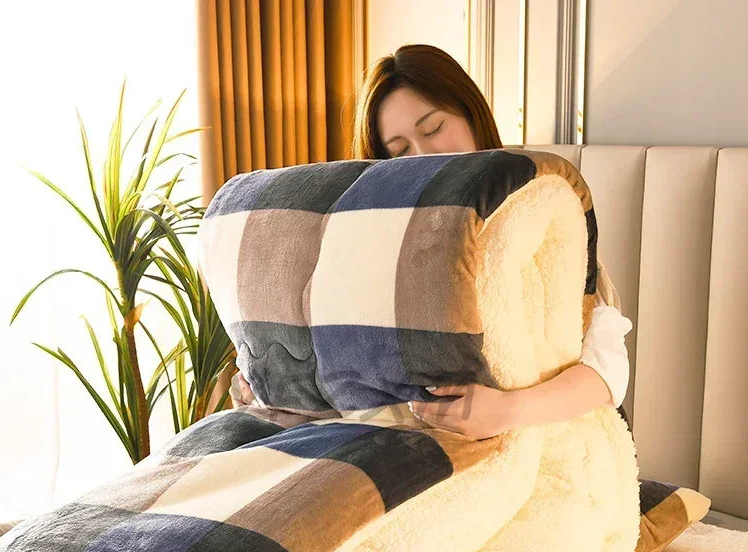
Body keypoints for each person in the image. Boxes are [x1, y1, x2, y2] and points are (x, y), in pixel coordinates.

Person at [230, 43, 633, 441]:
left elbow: (606, 372)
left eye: (433, 129)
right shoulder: (363, 252)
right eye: (399, 150)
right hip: (374, 443)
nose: (423, 155)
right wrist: (262, 389)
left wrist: (506, 411)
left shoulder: (543, 226)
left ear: (473, 116)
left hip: (510, 442)